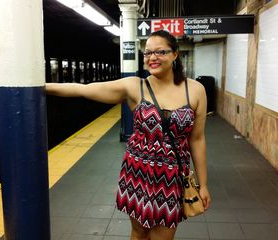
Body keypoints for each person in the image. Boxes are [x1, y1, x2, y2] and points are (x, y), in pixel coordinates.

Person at [46, 29, 211, 240]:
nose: (152, 57)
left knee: (164, 235)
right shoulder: (135, 87)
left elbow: (197, 140)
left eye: (160, 51)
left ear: (175, 54)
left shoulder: (195, 90)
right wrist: (37, 87)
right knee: (139, 232)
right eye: (148, 52)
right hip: (138, 174)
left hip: (172, 178)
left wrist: (203, 185)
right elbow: (83, 89)